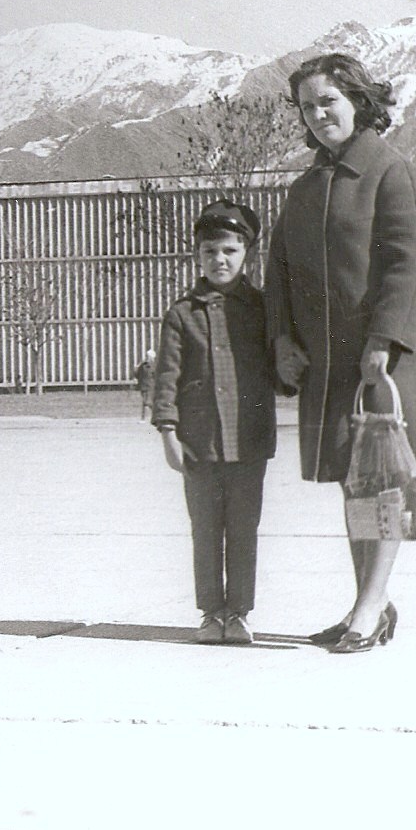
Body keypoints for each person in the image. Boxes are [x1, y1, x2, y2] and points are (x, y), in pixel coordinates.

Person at [265, 53, 416, 654]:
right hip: (328, 366)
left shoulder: (391, 172)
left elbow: (412, 263)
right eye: (307, 107)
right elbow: (279, 274)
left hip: (382, 361)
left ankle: (369, 608)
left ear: (358, 101)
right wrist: (282, 339)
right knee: (355, 485)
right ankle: (367, 604)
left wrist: (383, 340)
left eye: (329, 101)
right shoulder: (303, 189)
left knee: (385, 485)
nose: (319, 115)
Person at [151, 199, 276, 645]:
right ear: (197, 256)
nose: (219, 260)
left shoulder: (262, 309)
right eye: (209, 252)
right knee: (205, 530)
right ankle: (210, 613)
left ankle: (239, 613)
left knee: (244, 529)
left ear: (247, 255)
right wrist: (167, 432)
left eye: (229, 250)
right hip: (199, 444)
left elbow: (281, 365)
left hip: (249, 442)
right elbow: (166, 377)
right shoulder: (182, 314)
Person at [132, 349, 156, 420]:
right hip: (143, 385)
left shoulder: (155, 365)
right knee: (146, 403)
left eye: (148, 356)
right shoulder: (143, 365)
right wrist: (135, 370)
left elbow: (156, 375)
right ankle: (146, 417)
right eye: (147, 356)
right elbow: (137, 373)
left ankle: (145, 418)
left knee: (146, 402)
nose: (147, 357)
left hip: (151, 386)